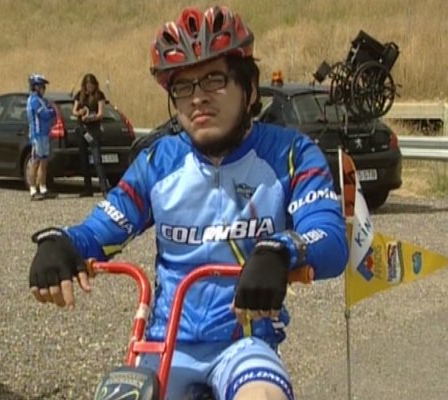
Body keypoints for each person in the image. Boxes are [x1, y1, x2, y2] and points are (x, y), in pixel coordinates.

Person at [28, 5, 349, 400]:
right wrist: (61, 243)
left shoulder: (292, 154)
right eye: (183, 86)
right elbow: (99, 231)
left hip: (245, 345)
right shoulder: (158, 162)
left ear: (250, 88)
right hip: (164, 342)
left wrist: (281, 251)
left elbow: (330, 237)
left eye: (214, 79)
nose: (197, 98)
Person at [72, 73, 109, 198]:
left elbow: (100, 114)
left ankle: (104, 188)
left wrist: (91, 118)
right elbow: (74, 110)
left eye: (91, 85)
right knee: (83, 159)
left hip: (93, 130)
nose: (89, 88)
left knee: (97, 159)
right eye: (87, 85)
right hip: (82, 129)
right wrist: (80, 112)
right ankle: (87, 188)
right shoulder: (80, 95)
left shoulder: (99, 95)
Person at [26, 74, 57, 200]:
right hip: (37, 135)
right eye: (42, 87)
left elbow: (50, 113)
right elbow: (45, 115)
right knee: (35, 162)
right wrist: (53, 110)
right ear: (36, 87)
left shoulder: (41, 100)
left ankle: (43, 188)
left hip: (44, 134)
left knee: (44, 162)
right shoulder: (33, 100)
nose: (44, 89)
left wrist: (51, 111)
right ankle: (33, 190)